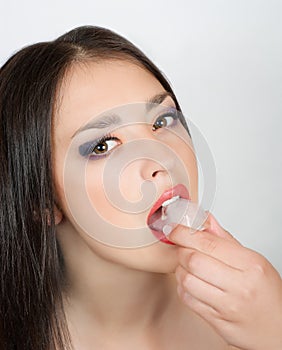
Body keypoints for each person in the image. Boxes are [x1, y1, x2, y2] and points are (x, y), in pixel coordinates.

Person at [0, 25, 281, 350]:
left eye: (162, 121)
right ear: (41, 200)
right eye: (103, 146)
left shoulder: (256, 313)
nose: (162, 160)